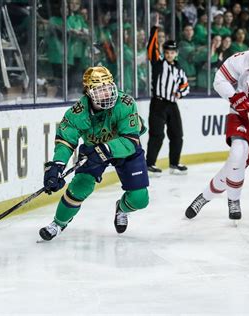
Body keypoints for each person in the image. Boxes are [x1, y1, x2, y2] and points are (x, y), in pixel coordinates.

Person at [185, 32, 249, 220]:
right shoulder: (241, 59)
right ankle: (234, 200)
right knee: (237, 154)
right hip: (241, 114)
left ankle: (204, 196)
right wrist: (234, 97)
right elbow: (219, 79)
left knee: (235, 166)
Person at [39, 66, 149, 241]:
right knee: (79, 187)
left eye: (108, 88)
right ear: (88, 92)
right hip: (93, 149)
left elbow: (130, 141)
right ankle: (58, 223)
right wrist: (57, 166)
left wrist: (105, 150)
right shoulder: (77, 113)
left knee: (140, 199)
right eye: (100, 90)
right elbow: (65, 141)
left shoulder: (125, 103)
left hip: (124, 148)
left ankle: (121, 208)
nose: (107, 94)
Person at [145, 23, 190, 176]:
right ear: (164, 53)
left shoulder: (179, 70)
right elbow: (151, 49)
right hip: (158, 103)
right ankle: (149, 164)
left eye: (172, 52)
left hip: (172, 104)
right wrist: (155, 30)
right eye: (167, 52)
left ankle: (174, 163)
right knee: (157, 135)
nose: (170, 54)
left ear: (176, 53)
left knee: (177, 134)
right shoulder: (158, 64)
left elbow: (185, 85)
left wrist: (180, 93)